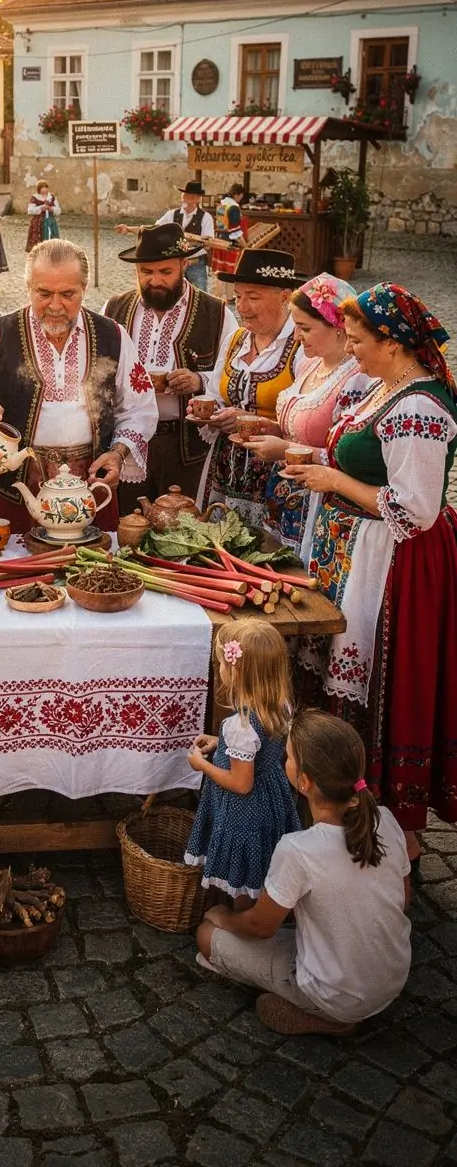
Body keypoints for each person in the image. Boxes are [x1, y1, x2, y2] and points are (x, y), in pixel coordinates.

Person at [288, 284, 457, 865]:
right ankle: (344, 808)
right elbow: (359, 460)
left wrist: (334, 483)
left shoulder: (418, 408)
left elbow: (415, 509)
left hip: (395, 563)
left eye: (359, 342)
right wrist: (311, 463)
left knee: (382, 684)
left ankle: (393, 829)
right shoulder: (388, 389)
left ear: (394, 341)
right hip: (358, 551)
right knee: (345, 669)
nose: (351, 351)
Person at [196, 710, 411, 1037]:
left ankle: (327, 1020)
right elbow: (403, 899)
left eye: (290, 755)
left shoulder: (298, 849)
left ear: (304, 781)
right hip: (393, 977)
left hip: (336, 993)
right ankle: (339, 1000)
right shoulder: (385, 819)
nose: (285, 758)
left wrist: (223, 917)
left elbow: (260, 926)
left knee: (206, 936)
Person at [0, 238, 159, 533]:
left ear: (84, 289)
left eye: (68, 294)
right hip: (14, 490)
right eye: (44, 293)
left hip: (87, 491)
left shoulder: (113, 335)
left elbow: (140, 408)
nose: (56, 305)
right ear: (29, 288)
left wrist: (118, 453)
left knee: (90, 574)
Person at [103, 223, 237, 504]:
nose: (155, 281)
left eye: (166, 272)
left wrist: (198, 380)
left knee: (181, 531)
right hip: (126, 446)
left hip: (186, 447)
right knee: (128, 525)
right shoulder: (114, 308)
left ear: (184, 264)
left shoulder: (217, 313)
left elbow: (233, 377)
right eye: (146, 272)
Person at [246, 274, 364, 564]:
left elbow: (346, 457)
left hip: (319, 504)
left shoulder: (357, 380)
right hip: (284, 496)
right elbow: (301, 427)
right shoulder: (308, 362)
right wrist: (274, 428)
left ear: (338, 327)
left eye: (305, 328)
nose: (296, 337)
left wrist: (283, 450)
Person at [185, 620, 300, 906]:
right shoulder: (280, 703)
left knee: (245, 872)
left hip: (243, 811)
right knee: (263, 859)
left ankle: (242, 919)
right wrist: (219, 742)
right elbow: (258, 751)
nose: (219, 669)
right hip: (271, 797)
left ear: (235, 671)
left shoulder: (242, 726)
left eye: (221, 664)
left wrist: (203, 766)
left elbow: (240, 783)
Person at [193, 250, 304, 526]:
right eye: (238, 295)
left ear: (284, 296)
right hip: (225, 467)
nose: (241, 307)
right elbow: (217, 395)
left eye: (253, 297)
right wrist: (210, 413)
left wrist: (252, 421)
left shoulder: (303, 345)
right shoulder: (236, 339)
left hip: (276, 473)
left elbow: (307, 424)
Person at [212, 184, 247, 301]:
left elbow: (221, 225)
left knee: (219, 270)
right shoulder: (234, 208)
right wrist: (246, 246)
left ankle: (218, 296)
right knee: (230, 271)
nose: (241, 198)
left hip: (219, 241)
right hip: (230, 244)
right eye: (241, 196)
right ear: (237, 195)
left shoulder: (222, 204)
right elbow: (235, 232)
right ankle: (226, 296)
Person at [25, 180, 61, 252]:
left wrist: (51, 209)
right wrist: (41, 208)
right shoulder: (35, 198)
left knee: (52, 239)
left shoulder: (52, 197)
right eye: (42, 188)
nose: (44, 190)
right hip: (38, 223)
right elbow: (30, 210)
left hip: (51, 221)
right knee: (40, 242)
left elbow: (58, 210)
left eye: (46, 187)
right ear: (39, 189)